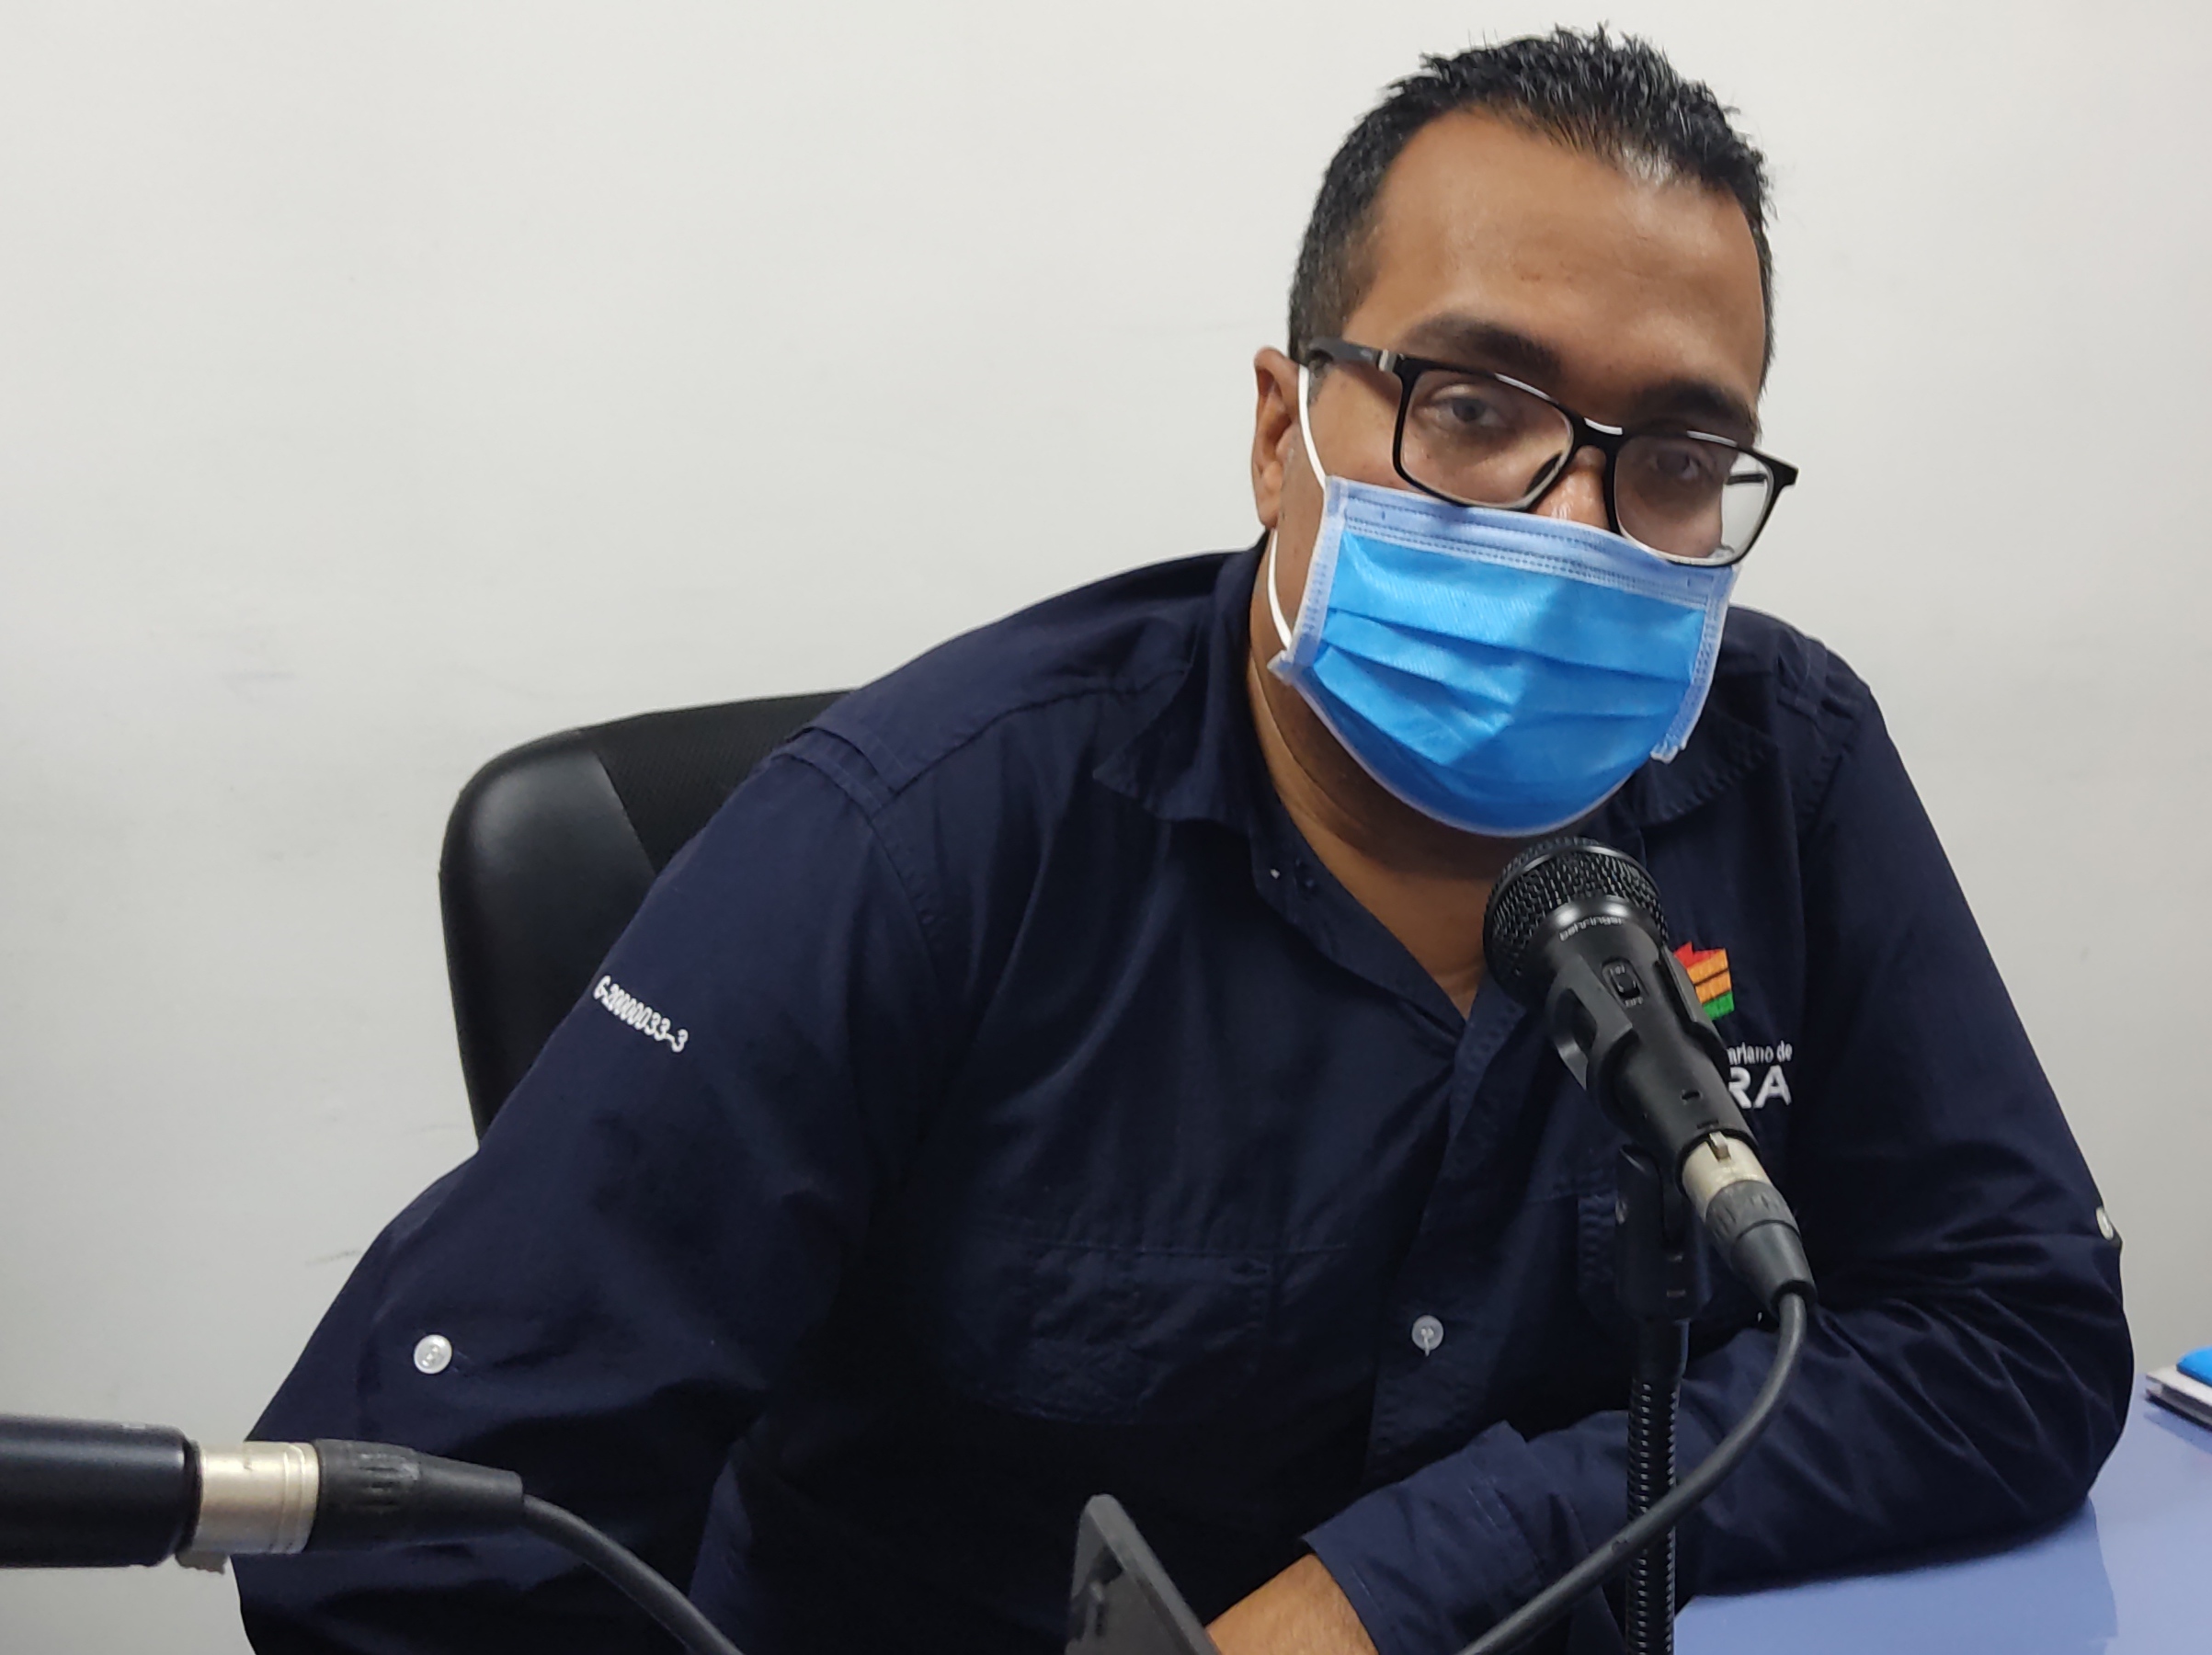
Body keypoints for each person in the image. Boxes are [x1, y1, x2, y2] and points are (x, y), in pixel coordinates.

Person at [236, 29, 2131, 1655]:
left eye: (1677, 458)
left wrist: (1426, 1573)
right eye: (1474, 408)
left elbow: (2017, 1335)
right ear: (1282, 429)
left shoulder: (1783, 767)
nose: (1572, 522)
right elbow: (415, 1528)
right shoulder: (920, 832)